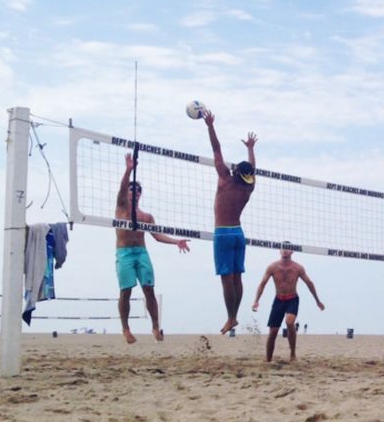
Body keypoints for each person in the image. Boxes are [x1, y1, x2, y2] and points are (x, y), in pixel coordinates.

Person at [114, 154, 191, 344]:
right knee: (126, 291)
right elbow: (122, 189)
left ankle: (156, 327)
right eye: (131, 190)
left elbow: (157, 236)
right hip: (124, 253)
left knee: (149, 288)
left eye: (137, 190)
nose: (134, 192)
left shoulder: (146, 217)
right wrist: (129, 170)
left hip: (141, 252)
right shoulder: (121, 207)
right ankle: (126, 329)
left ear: (141, 194)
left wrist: (176, 242)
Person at [202, 112, 257, 334]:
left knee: (227, 279)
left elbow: (216, 150)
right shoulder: (249, 186)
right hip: (238, 234)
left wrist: (210, 126)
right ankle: (234, 316)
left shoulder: (225, 179)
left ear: (235, 171)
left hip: (223, 234)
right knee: (237, 277)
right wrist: (251, 149)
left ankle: (231, 317)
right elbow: (252, 168)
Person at [251, 245, 324, 361]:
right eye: (283, 248)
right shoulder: (272, 267)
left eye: (287, 248)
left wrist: (317, 301)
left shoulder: (298, 268)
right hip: (279, 299)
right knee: (273, 331)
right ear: (279, 251)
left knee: (289, 322)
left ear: (292, 251)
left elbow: (309, 283)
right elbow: (262, 284)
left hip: (292, 299)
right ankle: (268, 359)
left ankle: (293, 354)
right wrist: (256, 301)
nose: (285, 250)